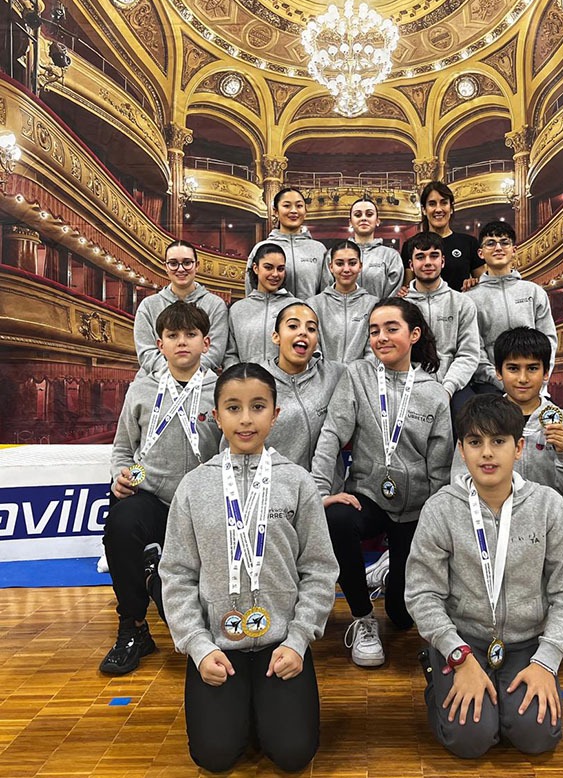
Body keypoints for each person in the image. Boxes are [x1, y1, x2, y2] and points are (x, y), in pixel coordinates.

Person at [160, 363, 338, 773]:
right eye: (233, 407)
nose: (245, 419)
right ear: (216, 415)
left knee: (294, 755)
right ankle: (246, 709)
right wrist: (199, 647)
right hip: (219, 647)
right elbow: (177, 575)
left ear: (275, 414)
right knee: (214, 757)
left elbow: (319, 569)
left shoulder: (297, 483)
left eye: (257, 407)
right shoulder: (194, 487)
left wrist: (298, 639)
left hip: (282, 645)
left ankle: (263, 710)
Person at [405, 394, 563, 759]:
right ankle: (439, 676)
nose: (487, 453)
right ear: (461, 450)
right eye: (475, 442)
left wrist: (546, 660)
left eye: (498, 441)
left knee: (537, 737)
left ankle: (506, 698)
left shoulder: (548, 506)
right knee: (469, 739)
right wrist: (457, 655)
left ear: (519, 448)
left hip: (526, 644)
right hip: (464, 641)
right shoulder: (440, 509)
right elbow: (422, 594)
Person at [311, 297, 452, 668]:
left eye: (391, 329)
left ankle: (392, 575)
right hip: (369, 496)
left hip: (416, 509)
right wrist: (320, 492)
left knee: (402, 617)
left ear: (414, 334)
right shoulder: (357, 376)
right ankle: (362, 616)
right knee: (336, 518)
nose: (381, 337)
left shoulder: (435, 394)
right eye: (374, 331)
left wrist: (437, 519)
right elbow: (332, 434)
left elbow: (440, 469)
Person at [102, 302, 221, 675]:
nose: (182, 342)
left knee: (186, 616)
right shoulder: (141, 389)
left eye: (190, 335)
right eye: (173, 335)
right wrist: (122, 475)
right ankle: (133, 627)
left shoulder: (222, 390)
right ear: (160, 344)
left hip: (204, 500)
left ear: (206, 343)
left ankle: (158, 579)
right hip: (151, 493)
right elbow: (125, 449)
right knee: (121, 522)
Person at [450, 326, 563, 531]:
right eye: (513, 368)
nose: (523, 378)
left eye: (532, 368)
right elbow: (459, 480)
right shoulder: (479, 419)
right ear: (498, 372)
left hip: (550, 527)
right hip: (493, 527)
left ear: (546, 372)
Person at [464, 222, 557, 391]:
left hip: (533, 385)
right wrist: (501, 381)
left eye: (504, 242)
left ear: (514, 250)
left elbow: (548, 340)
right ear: (481, 253)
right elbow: (474, 349)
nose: (498, 248)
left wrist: (540, 381)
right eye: (490, 243)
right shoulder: (470, 299)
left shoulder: (534, 292)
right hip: (490, 387)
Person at [264, 302, 344, 471]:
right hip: (276, 484)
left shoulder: (335, 374)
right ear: (276, 337)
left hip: (324, 485)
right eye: (293, 326)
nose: (303, 332)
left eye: (311, 329)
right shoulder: (256, 380)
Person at [133, 239, 228, 378]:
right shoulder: (148, 306)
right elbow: (146, 352)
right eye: (173, 263)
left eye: (187, 262)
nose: (181, 269)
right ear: (166, 267)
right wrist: (173, 374)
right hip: (155, 378)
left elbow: (215, 351)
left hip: (201, 379)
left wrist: (188, 373)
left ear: (197, 265)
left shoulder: (215, 305)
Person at [404, 231, 480, 405]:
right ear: (411, 265)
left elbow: (468, 354)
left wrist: (448, 388)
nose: (428, 262)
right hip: (411, 384)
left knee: (470, 414)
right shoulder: (400, 306)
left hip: (455, 385)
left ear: (443, 261)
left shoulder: (462, 303)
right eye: (420, 257)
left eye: (434, 256)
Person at [224, 242, 299, 368]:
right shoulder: (237, 309)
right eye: (268, 267)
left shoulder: (296, 307)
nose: (275, 274)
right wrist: (239, 376)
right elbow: (230, 354)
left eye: (280, 269)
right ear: (255, 268)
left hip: (286, 380)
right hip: (247, 379)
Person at [401, 181, 483, 292]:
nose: (438, 209)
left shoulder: (469, 243)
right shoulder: (410, 245)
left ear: (451, 208)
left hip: (460, 302)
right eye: (432, 204)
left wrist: (474, 284)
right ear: (424, 210)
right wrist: (403, 291)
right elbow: (408, 288)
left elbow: (483, 284)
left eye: (444, 203)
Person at [245, 187, 326, 299]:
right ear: (276, 211)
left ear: (305, 212)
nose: (294, 211)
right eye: (287, 206)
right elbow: (251, 292)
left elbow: (325, 294)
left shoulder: (319, 249)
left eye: (299, 206)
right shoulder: (261, 248)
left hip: (309, 310)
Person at [309, 240, 378, 364]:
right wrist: (326, 371)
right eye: (340, 263)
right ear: (331, 267)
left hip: (361, 375)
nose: (346, 269)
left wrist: (359, 371)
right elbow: (313, 345)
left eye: (352, 263)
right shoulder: (314, 305)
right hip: (323, 374)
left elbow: (373, 347)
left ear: (360, 266)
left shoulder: (373, 305)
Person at [332, 197, 403, 299]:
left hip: (381, 309)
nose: (363, 218)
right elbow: (327, 294)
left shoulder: (391, 256)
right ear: (350, 222)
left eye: (369, 214)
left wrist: (379, 309)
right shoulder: (334, 254)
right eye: (358, 215)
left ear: (377, 221)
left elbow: (393, 296)